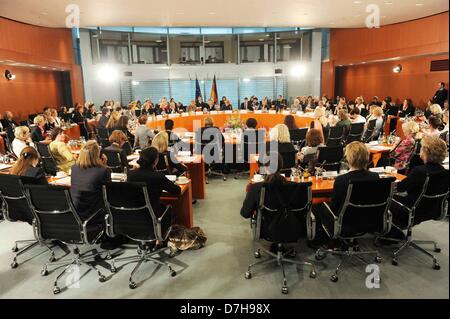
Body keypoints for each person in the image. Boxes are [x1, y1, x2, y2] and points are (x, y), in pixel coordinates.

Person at [390, 135, 447, 225]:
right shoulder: (444, 171)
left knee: (385, 199)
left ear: (426, 151)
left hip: (411, 209)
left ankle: (388, 231)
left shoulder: (420, 171)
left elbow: (400, 188)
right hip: (432, 209)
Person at [316, 142, 378, 218]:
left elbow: (334, 208)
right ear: (367, 157)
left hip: (345, 223)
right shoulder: (375, 176)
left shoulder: (341, 180)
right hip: (370, 219)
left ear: (348, 158)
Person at [127, 147, 181, 216]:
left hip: (134, 213)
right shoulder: (158, 176)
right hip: (154, 213)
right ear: (156, 160)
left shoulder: (130, 174)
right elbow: (177, 190)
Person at [70, 140, 111, 220]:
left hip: (75, 214)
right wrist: (104, 166)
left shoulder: (74, 168)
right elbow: (108, 193)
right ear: (97, 155)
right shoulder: (103, 171)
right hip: (94, 214)